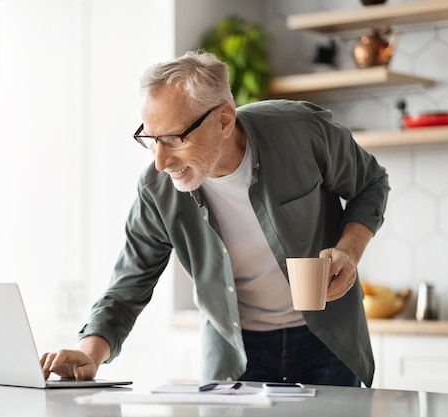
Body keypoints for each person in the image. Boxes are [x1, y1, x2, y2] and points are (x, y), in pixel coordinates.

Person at [40, 50, 389, 388]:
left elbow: (371, 183)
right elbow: (128, 286)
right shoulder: (157, 189)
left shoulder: (302, 132)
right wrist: (90, 353)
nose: (161, 161)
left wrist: (348, 251)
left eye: (173, 139)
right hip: (235, 352)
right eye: (150, 139)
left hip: (327, 339)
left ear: (223, 120)